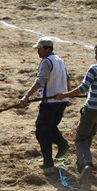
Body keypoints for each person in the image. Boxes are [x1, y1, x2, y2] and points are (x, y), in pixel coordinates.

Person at [55, 42, 97, 184]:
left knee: (80, 139)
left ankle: (86, 164)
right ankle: (82, 165)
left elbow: (83, 88)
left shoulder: (95, 69)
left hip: (91, 109)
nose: (95, 57)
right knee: (88, 137)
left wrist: (65, 94)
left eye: (96, 54)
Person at [20, 37, 71, 172]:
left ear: (47, 49)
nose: (38, 51)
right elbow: (67, 79)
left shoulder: (46, 61)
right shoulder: (60, 60)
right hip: (62, 101)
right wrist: (68, 95)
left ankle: (59, 146)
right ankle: (50, 159)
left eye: (40, 48)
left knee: (41, 130)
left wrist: (27, 96)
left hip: (50, 102)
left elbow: (40, 81)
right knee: (49, 128)